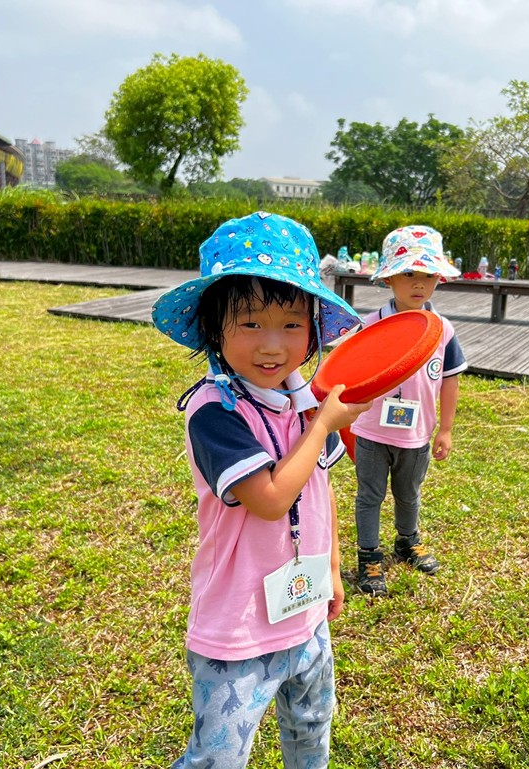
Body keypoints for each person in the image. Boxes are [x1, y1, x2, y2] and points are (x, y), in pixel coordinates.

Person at [150, 211, 372, 768]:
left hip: (304, 609)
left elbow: (319, 488)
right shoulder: (214, 411)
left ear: (313, 328)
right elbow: (271, 500)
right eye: (250, 323)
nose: (273, 346)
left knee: (311, 729)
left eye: (292, 325)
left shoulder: (302, 398)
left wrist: (333, 570)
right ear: (213, 328)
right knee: (218, 757)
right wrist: (322, 425)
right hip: (238, 631)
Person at [349, 225, 468, 597]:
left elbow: (450, 379)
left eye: (428, 275)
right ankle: (369, 555)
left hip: (417, 435)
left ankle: (407, 540)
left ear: (439, 279)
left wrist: (445, 429)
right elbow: (350, 374)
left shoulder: (442, 330)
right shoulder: (371, 326)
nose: (419, 283)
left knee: (409, 493)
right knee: (369, 496)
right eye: (408, 274)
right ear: (389, 279)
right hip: (372, 431)